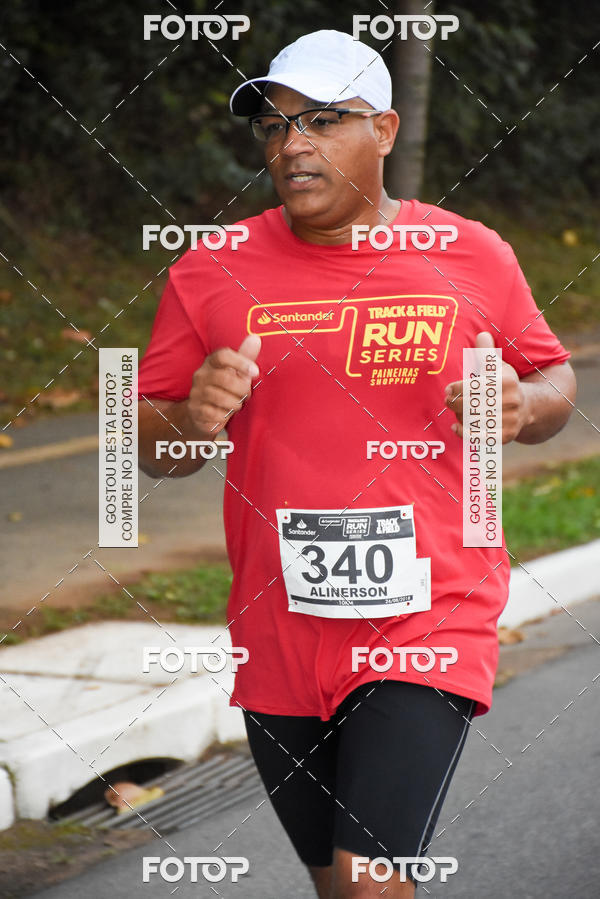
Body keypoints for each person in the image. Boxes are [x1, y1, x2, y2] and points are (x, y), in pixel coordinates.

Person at [137, 29, 576, 898]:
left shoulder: (472, 254)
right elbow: (148, 449)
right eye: (273, 127)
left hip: (430, 615)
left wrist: (528, 409)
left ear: (383, 129)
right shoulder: (212, 270)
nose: (290, 144)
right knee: (337, 887)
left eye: (323, 120)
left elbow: (550, 372)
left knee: (371, 878)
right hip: (279, 626)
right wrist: (188, 417)